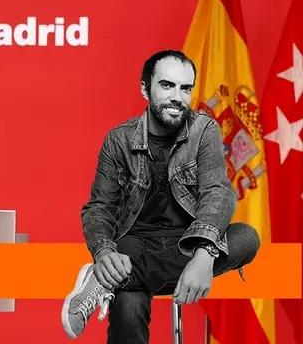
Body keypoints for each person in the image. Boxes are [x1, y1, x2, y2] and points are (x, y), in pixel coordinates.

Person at [60, 50, 261, 343]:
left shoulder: (204, 130)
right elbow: (99, 207)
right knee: (127, 294)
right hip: (136, 242)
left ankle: (106, 282)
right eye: (167, 85)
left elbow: (217, 193)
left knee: (246, 238)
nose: (177, 97)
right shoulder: (118, 139)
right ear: (145, 89)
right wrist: (104, 253)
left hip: (188, 242)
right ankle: (118, 276)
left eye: (185, 88)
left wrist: (204, 254)